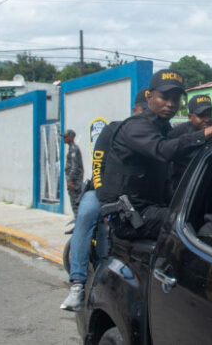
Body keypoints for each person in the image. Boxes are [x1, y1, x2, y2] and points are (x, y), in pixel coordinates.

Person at [97, 69, 212, 241]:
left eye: (175, 99)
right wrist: (210, 131)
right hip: (130, 216)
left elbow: (181, 151)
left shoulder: (163, 128)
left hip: (150, 209)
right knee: (194, 223)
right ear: (149, 97)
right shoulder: (136, 126)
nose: (171, 104)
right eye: (164, 97)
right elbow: (163, 149)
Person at [60, 89, 149, 311]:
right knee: (86, 215)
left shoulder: (155, 136)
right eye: (143, 110)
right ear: (135, 110)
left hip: (133, 197)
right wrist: (106, 199)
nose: (146, 115)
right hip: (101, 192)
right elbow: (97, 167)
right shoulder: (114, 130)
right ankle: (77, 285)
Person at [168, 94, 212, 186]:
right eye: (202, 116)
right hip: (185, 186)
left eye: (209, 115)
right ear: (190, 117)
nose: (207, 119)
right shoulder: (177, 133)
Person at [62, 129, 84, 214]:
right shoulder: (71, 149)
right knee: (74, 203)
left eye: (65, 136)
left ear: (71, 137)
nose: (64, 138)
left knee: (75, 203)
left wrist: (70, 180)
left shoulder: (74, 149)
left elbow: (75, 167)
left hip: (75, 182)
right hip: (73, 181)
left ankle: (78, 220)